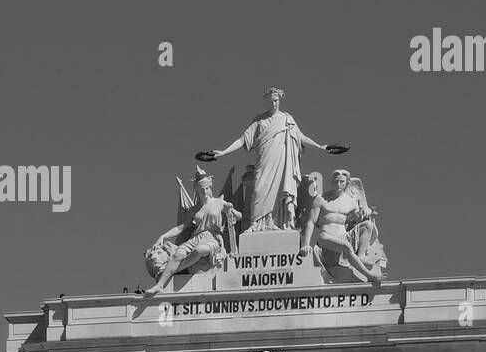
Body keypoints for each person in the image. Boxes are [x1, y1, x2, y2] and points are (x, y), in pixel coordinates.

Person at [196, 88, 347, 232]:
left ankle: (277, 223)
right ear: (267, 101)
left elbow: (301, 138)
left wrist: (321, 147)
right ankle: (257, 224)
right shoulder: (259, 121)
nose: (275, 104)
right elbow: (243, 140)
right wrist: (223, 152)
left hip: (282, 162)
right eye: (272, 101)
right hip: (264, 161)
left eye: (277, 101)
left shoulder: (287, 119)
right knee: (258, 190)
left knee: (281, 191)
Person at [143, 167, 240, 296]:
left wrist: (230, 210)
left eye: (207, 188)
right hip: (196, 238)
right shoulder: (194, 210)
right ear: (197, 190)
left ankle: (174, 270)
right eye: (202, 189)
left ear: (210, 187)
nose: (205, 192)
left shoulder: (219, 202)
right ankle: (160, 285)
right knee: (177, 255)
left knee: (199, 250)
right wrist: (163, 235)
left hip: (212, 238)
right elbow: (181, 228)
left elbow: (239, 216)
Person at [298, 169, 382, 286]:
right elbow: (311, 222)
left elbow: (359, 220)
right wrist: (305, 244)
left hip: (343, 236)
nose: (338, 184)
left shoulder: (351, 202)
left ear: (346, 183)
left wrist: (367, 213)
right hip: (326, 236)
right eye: (336, 181)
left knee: (368, 225)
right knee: (346, 246)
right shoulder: (321, 199)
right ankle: (369, 275)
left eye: (341, 182)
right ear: (332, 182)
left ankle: (361, 256)